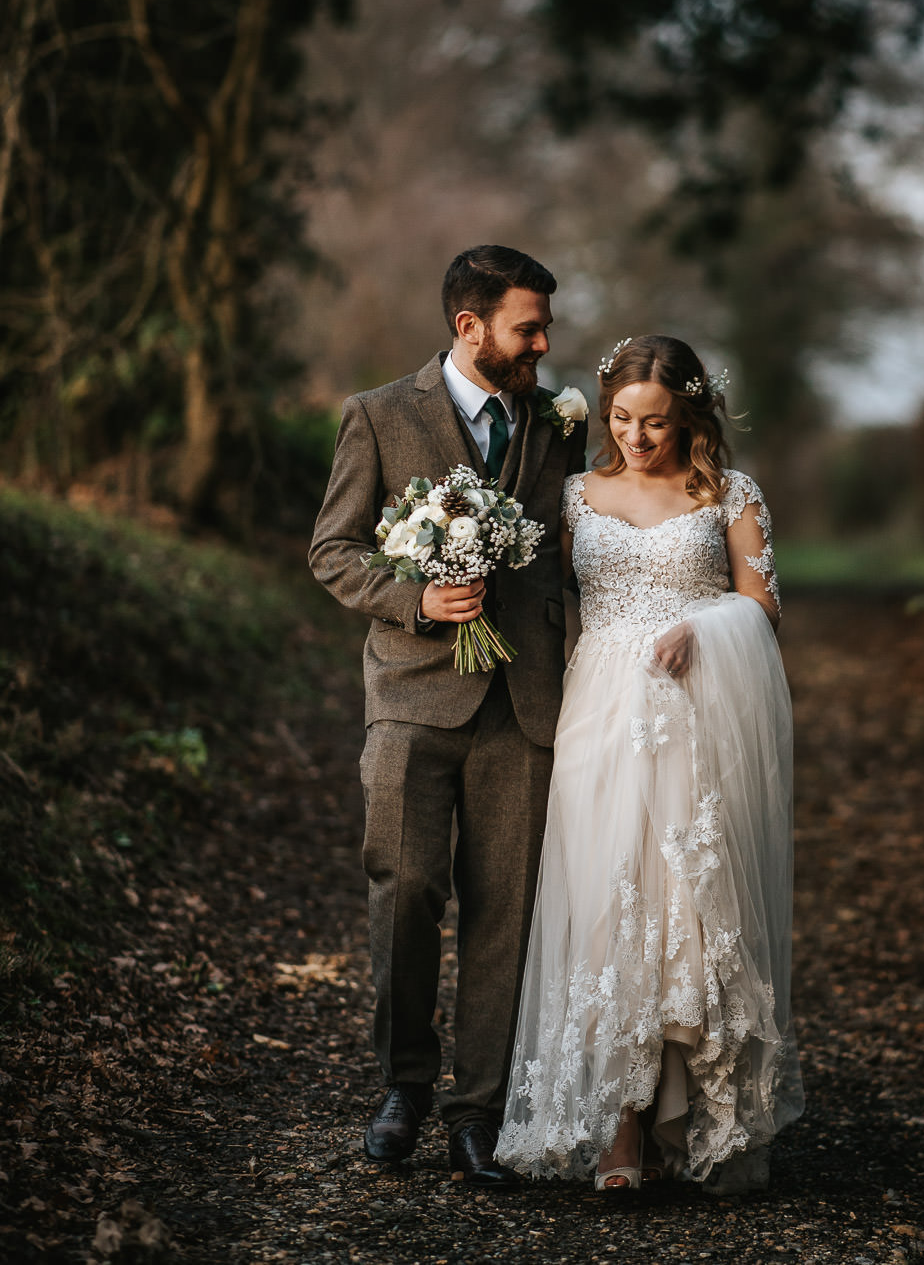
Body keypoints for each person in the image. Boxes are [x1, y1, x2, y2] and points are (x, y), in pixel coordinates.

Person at [309, 246, 587, 1190]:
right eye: (528, 327)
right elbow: (333, 550)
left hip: (527, 700)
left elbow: (576, 556)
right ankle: (403, 1086)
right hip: (412, 697)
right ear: (469, 326)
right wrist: (416, 599)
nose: (545, 345)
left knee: (506, 909)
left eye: (545, 326)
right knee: (407, 886)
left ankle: (480, 1110)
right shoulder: (380, 416)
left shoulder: (559, 424)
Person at [496, 335, 801, 1190]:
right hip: (597, 716)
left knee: (690, 913)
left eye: (656, 421)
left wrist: (702, 626)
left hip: (695, 715)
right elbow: (533, 600)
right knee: (607, 902)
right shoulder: (572, 495)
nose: (635, 436)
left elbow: (764, 604)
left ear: (691, 414)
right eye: (622, 418)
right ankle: (619, 1128)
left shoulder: (728, 494)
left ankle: (699, 1116)